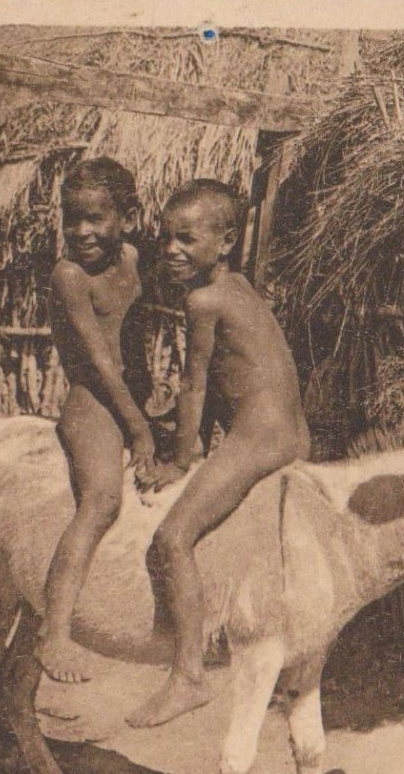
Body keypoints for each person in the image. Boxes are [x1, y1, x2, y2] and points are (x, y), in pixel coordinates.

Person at [128, 179, 311, 729]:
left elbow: (196, 385)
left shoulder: (203, 301)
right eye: (165, 239)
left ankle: (187, 674)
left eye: (186, 239)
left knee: (172, 537)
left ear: (226, 240)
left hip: (262, 439)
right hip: (291, 437)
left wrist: (181, 462)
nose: (170, 251)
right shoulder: (242, 292)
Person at [35, 157, 156, 684]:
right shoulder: (69, 276)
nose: (81, 231)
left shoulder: (133, 259)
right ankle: (55, 632)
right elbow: (103, 366)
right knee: (101, 502)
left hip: (134, 402)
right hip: (94, 406)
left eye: (95, 218)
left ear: (126, 217)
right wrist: (139, 429)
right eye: (71, 218)